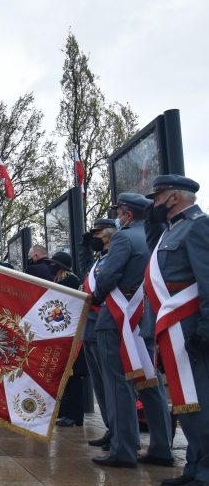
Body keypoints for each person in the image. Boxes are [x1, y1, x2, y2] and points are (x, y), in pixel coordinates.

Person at [90, 192, 173, 469]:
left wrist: (96, 296)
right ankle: (162, 447)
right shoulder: (155, 236)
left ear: (126, 215)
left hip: (117, 319)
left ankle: (124, 449)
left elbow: (109, 276)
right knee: (150, 382)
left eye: (119, 212)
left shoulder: (123, 238)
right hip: (146, 318)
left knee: (118, 384)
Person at [145, 175, 209, 486]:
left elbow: (206, 279)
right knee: (185, 401)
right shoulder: (170, 231)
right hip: (174, 325)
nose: (152, 204)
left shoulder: (198, 226)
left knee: (199, 400)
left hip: (190, 324)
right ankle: (195, 466)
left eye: (156, 198)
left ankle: (207, 472)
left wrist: (205, 328)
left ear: (173, 198)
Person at [81, 218, 117, 449]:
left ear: (109, 234)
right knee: (101, 387)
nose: (94, 236)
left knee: (111, 384)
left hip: (106, 322)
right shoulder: (99, 261)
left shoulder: (116, 256)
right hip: (91, 326)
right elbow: (86, 275)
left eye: (97, 233)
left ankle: (120, 432)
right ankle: (111, 428)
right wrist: (84, 249)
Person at [46, 251, 87, 427]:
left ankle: (75, 415)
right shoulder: (59, 280)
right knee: (67, 378)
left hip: (72, 335)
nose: (50, 266)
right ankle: (67, 412)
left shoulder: (69, 281)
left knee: (74, 378)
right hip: (63, 334)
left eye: (53, 263)